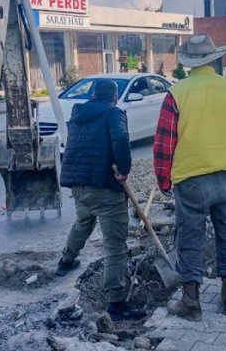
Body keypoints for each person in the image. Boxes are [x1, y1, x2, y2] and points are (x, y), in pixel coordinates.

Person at [153, 34, 226, 321]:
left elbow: (164, 143)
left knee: (190, 237)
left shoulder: (177, 93)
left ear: (188, 64)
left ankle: (191, 303)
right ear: (214, 60)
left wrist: (164, 181)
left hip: (193, 177)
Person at [56, 79, 146, 320]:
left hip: (79, 184)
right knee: (115, 244)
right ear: (114, 97)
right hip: (104, 187)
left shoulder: (78, 114)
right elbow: (121, 140)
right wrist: (123, 170)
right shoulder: (113, 113)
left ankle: (66, 261)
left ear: (94, 95)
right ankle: (116, 303)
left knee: (83, 222)